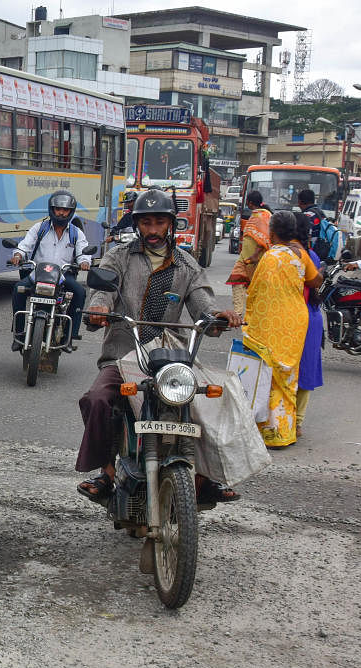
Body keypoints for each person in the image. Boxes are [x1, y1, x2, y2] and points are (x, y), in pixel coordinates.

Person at [77, 189, 243, 504]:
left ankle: (206, 477)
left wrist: (217, 316)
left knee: (214, 399)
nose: (153, 230)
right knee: (97, 399)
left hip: (172, 357)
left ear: (171, 224)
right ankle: (107, 473)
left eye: (159, 223)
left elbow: (203, 304)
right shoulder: (119, 256)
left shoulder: (186, 265)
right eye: (146, 223)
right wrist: (98, 309)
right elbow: (102, 291)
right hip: (124, 355)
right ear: (137, 225)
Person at [245, 210, 323, 448]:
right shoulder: (301, 254)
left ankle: (267, 433)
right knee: (288, 376)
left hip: (272, 321)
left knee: (269, 375)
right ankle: (285, 433)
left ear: (273, 231)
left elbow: (255, 289)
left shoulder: (271, 257)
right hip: (297, 320)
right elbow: (315, 281)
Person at [9, 189, 90, 349]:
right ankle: (18, 333)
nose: (61, 213)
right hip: (38, 274)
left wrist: (84, 261)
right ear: (51, 209)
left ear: (70, 211)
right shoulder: (40, 228)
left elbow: (83, 252)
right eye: (58, 209)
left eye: (65, 210)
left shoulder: (76, 233)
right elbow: (25, 246)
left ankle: (69, 336)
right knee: (18, 289)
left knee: (80, 293)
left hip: (63, 275)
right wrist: (18, 255)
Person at [293, 212, 324, 439]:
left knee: (293, 369)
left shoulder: (290, 255)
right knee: (304, 369)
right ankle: (296, 421)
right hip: (310, 316)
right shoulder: (311, 255)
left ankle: (292, 421)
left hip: (297, 317)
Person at [225, 190, 272, 316]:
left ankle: (256, 314)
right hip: (246, 258)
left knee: (255, 287)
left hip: (256, 259)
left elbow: (264, 238)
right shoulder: (256, 215)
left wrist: (256, 255)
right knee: (237, 281)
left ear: (250, 203)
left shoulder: (263, 216)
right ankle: (238, 313)